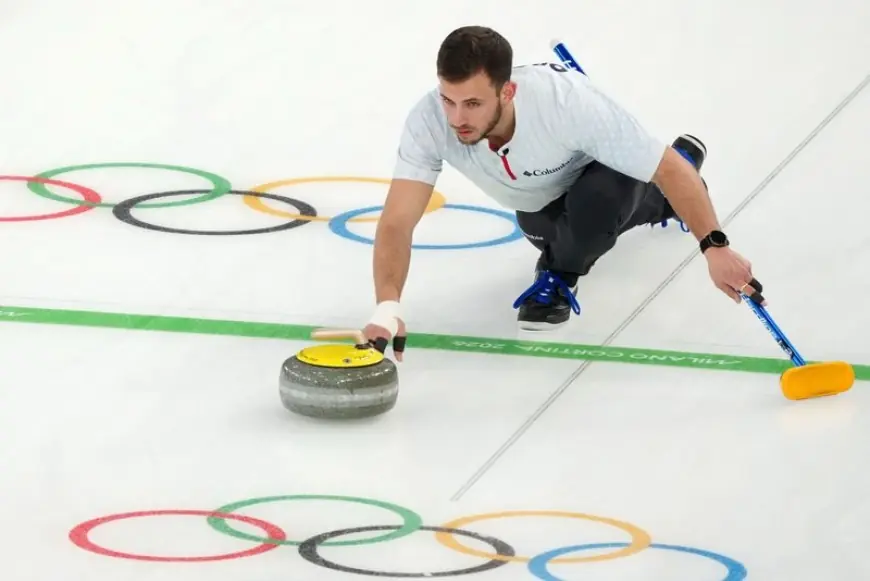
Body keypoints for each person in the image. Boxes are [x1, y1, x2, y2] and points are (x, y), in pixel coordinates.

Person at [361, 25, 764, 359]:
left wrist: (715, 247)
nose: (457, 119)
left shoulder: (566, 103)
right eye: (448, 100)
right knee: (568, 230)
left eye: (472, 103)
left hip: (604, 176)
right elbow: (397, 221)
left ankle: (559, 274)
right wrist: (388, 305)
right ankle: (670, 192)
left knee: (605, 202)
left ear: (508, 92)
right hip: (537, 205)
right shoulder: (429, 121)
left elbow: (665, 169)